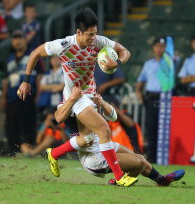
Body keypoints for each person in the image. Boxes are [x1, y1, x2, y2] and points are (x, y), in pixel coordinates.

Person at [17, 7, 134, 187]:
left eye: (95, 33)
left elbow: (125, 51)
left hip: (92, 95)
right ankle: (119, 176)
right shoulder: (64, 45)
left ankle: (53, 154)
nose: (93, 38)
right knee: (104, 128)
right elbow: (35, 54)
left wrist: (116, 62)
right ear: (78, 32)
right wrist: (26, 81)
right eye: (89, 34)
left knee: (86, 140)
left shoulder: (99, 41)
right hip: (75, 97)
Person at [46, 86, 185, 187]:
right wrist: (71, 98)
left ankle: (161, 180)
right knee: (139, 162)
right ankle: (118, 181)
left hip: (104, 145)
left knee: (140, 158)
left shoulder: (90, 96)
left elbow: (113, 117)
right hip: (92, 156)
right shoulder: (68, 102)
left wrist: (101, 103)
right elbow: (58, 117)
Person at [1, 30, 44, 154]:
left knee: (27, 123)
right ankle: (14, 150)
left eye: (20, 38)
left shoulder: (33, 54)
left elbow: (40, 76)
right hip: (11, 97)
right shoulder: (9, 57)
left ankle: (28, 149)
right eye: (15, 38)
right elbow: (5, 79)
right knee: (11, 124)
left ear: (25, 40)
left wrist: (38, 95)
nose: (17, 41)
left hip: (28, 96)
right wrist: (4, 97)